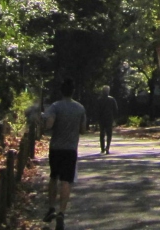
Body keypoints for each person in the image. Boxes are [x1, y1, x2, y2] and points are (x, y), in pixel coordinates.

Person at [42, 79, 87, 227]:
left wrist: (45, 123)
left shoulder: (55, 106)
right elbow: (83, 130)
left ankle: (51, 208)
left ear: (61, 91)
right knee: (66, 181)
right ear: (73, 91)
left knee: (53, 177)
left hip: (56, 148)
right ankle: (62, 212)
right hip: (71, 149)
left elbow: (49, 125)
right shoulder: (80, 108)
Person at [96, 85, 118, 154]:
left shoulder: (99, 100)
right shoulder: (112, 99)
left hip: (102, 119)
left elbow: (97, 110)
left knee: (102, 134)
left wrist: (97, 119)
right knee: (109, 134)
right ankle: (107, 147)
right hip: (109, 118)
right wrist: (114, 118)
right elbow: (116, 109)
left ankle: (102, 148)